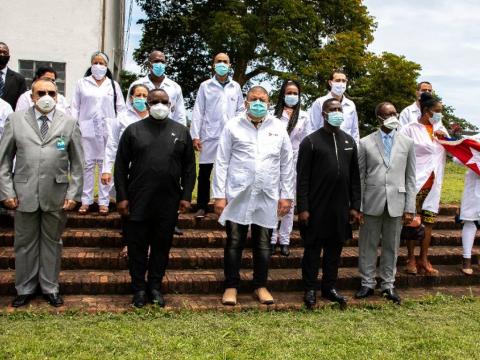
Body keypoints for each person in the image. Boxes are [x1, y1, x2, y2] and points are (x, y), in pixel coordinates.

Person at [0, 78, 84, 307]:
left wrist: (74, 194)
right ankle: (25, 288)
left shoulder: (69, 123)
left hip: (56, 194)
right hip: (23, 193)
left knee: (52, 242)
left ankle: (50, 287)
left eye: (52, 93)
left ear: (57, 96)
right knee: (24, 243)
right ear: (32, 96)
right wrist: (6, 191)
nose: (47, 97)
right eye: (41, 93)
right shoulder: (16, 121)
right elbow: (4, 161)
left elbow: (77, 164)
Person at [213, 85, 294, 306]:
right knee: (235, 240)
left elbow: (287, 163)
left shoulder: (278, 127)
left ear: (268, 102)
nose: (258, 102)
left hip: (267, 194)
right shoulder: (233, 126)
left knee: (264, 242)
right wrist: (219, 195)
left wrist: (286, 195)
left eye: (262, 99)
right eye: (253, 98)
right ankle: (231, 286)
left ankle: (260, 286)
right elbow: (221, 161)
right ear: (246, 102)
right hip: (238, 193)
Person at [114, 89, 196, 308]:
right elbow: (120, 166)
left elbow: (189, 167)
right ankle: (139, 289)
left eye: (164, 101)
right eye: (155, 101)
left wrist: (186, 195)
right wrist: (121, 197)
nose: (160, 105)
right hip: (138, 199)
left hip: (168, 201)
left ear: (171, 105)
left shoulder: (181, 131)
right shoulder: (133, 131)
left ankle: (155, 287)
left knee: (161, 247)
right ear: (147, 104)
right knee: (137, 248)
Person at [297, 98, 361, 308]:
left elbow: (355, 177)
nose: (336, 112)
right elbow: (302, 178)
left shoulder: (349, 141)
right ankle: (309, 289)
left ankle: (329, 287)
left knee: (334, 250)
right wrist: (303, 207)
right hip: (316, 206)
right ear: (323, 114)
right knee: (313, 251)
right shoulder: (311, 141)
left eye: (339, 109)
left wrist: (355, 206)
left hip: (340, 207)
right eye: (332, 109)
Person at [356, 102, 416, 304]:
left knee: (392, 245)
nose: (393, 116)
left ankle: (388, 284)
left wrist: (410, 207)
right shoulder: (365, 143)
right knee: (367, 245)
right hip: (371, 201)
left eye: (394, 113)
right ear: (379, 118)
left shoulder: (407, 143)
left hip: (397, 202)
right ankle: (367, 283)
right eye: (388, 114)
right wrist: (359, 207)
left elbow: (410, 178)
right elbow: (360, 177)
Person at [71, 51, 126, 215]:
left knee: (105, 166)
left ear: (107, 66)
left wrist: (120, 127)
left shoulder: (113, 85)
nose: (98, 65)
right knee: (87, 165)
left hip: (107, 129)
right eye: (95, 62)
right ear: (91, 64)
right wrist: (74, 126)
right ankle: (86, 200)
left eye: (102, 63)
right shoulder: (82, 83)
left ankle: (104, 201)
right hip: (86, 129)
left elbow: (121, 108)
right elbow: (75, 106)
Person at [190, 52, 244, 219]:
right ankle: (202, 206)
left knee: (230, 171)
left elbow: (241, 110)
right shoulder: (205, 86)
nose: (222, 64)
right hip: (209, 135)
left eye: (225, 61)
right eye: (218, 61)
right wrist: (195, 135)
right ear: (213, 65)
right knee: (205, 172)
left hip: (230, 136)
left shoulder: (235, 87)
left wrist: (240, 132)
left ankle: (228, 203)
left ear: (229, 65)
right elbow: (198, 110)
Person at [400, 92, 448, 275]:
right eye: (436, 111)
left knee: (429, 222)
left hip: (434, 182)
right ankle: (411, 258)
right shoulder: (409, 129)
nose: (439, 115)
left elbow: (450, 152)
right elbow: (400, 154)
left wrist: (446, 139)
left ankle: (424, 259)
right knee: (412, 221)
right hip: (416, 181)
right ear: (426, 110)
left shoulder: (440, 129)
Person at [101, 84, 150, 258]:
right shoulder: (122, 117)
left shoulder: (154, 117)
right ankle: (129, 243)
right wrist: (107, 169)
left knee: (148, 208)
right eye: (138, 95)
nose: (141, 98)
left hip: (149, 171)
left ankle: (147, 245)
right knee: (127, 208)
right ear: (131, 97)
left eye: (145, 95)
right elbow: (112, 144)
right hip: (127, 170)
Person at [270, 79, 308, 257]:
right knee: (272, 200)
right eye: (288, 92)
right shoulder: (273, 116)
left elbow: (306, 142)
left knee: (289, 203)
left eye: (295, 93)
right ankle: (271, 238)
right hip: (274, 162)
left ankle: (284, 240)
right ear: (282, 94)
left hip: (295, 163)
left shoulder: (305, 117)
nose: (292, 96)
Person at [128, 50, 186, 126]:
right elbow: (129, 110)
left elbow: (180, 115)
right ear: (149, 65)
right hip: (142, 130)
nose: (160, 64)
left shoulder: (175, 87)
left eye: (162, 62)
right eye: (156, 61)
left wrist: (180, 134)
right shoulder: (137, 85)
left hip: (167, 131)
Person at [306, 69, 359, 143]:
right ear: (330, 83)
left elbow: (355, 131)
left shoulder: (351, 105)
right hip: (324, 146)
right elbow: (312, 128)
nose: (341, 83)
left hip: (346, 147)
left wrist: (355, 148)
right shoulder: (319, 102)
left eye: (344, 81)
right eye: (338, 80)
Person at [452, 134, 480, 275]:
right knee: (470, 222)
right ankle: (466, 259)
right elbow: (457, 158)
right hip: (474, 188)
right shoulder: (474, 140)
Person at [0, 42, 27, 110]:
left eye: (5, 53)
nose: (2, 55)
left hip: (9, 118)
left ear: (9, 57)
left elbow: (21, 104)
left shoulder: (19, 79)